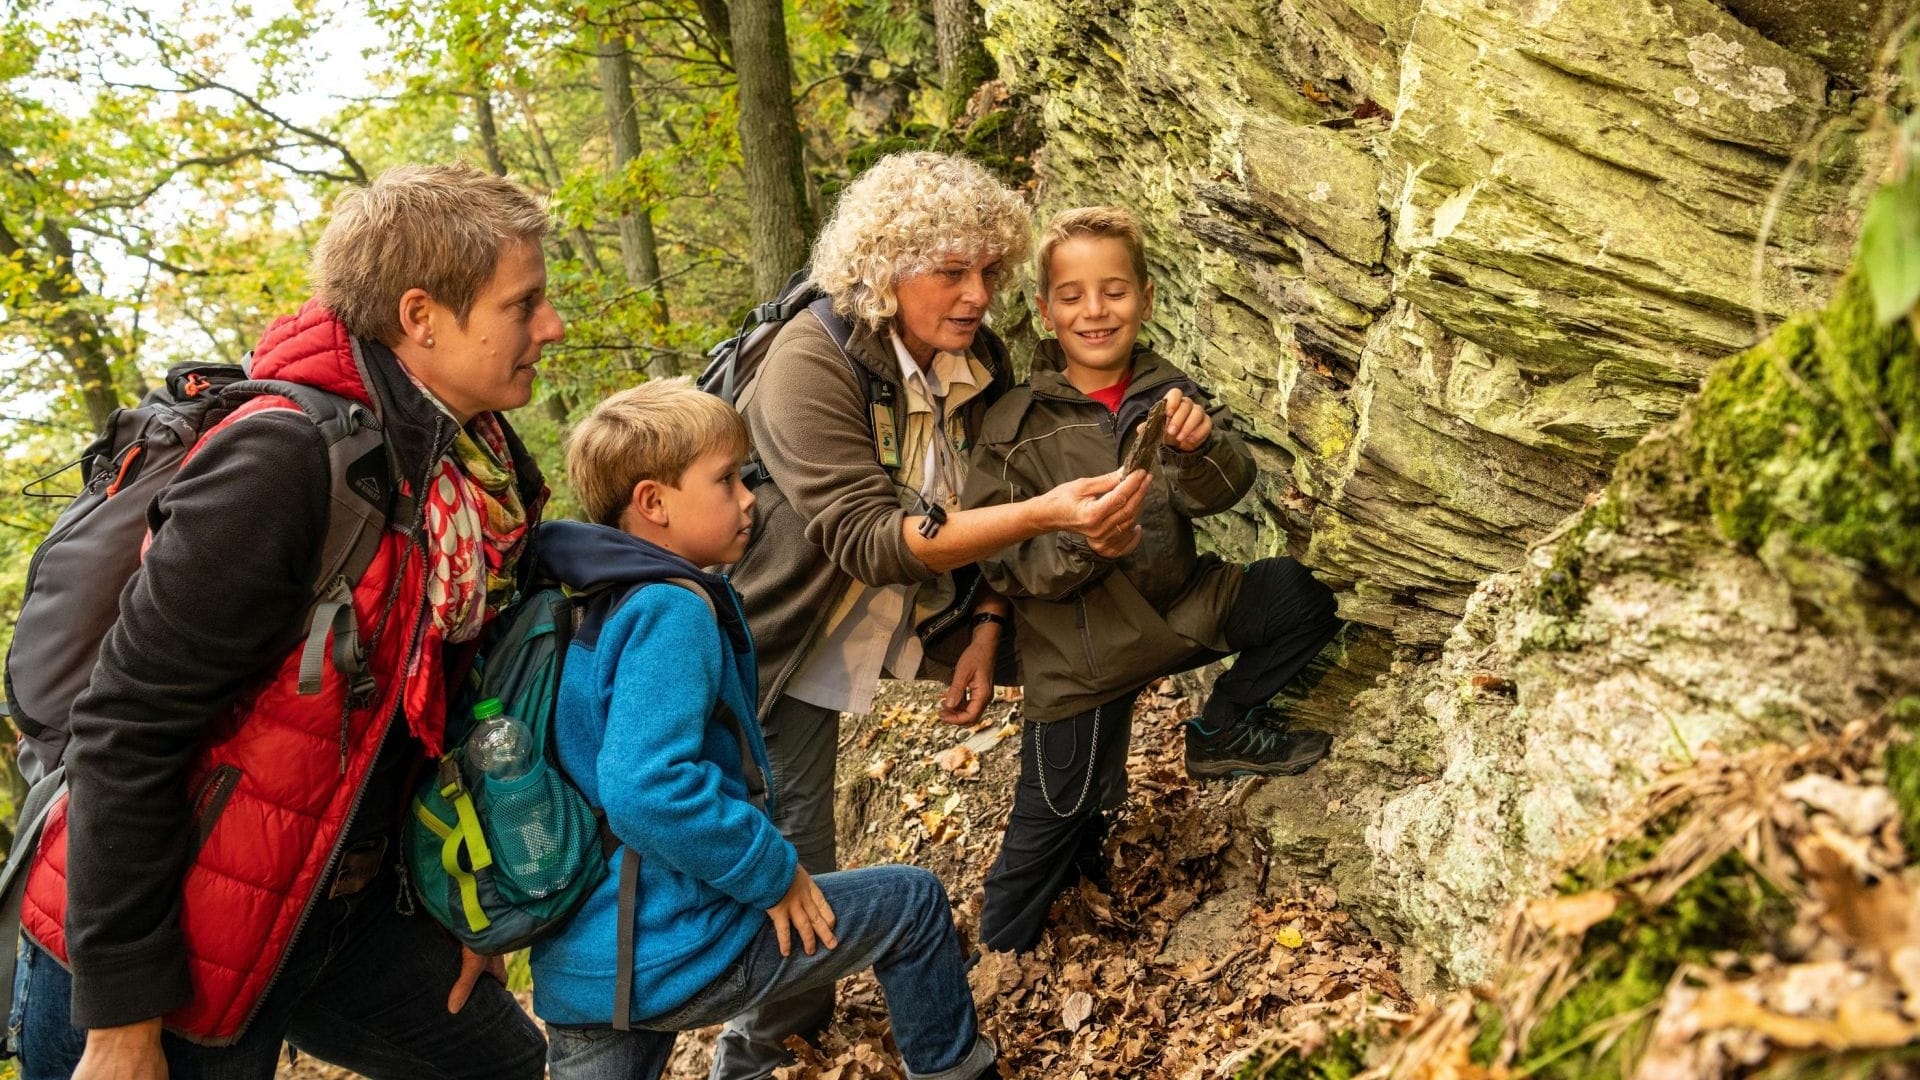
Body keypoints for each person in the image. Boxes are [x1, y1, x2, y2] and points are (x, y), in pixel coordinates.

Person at [13, 163, 559, 1080]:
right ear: (420, 318)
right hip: (173, 938)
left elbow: (408, 719)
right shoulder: (286, 462)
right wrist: (121, 1017)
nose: (549, 327)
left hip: (338, 909)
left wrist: (468, 902)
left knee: (497, 1064)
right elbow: (125, 730)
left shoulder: (472, 468)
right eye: (524, 304)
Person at [721, 151, 1149, 1078]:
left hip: (918, 608)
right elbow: (871, 539)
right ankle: (764, 1050)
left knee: (1094, 617)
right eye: (950, 271)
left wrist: (989, 624)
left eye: (990, 271)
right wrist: (1044, 514)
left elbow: (990, 500)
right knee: (798, 852)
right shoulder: (809, 362)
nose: (977, 294)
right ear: (883, 269)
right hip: (778, 638)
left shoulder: (977, 358)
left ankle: (1070, 841)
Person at [530, 380, 999, 1080]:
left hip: (587, 964)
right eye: (726, 480)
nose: (750, 499)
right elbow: (644, 787)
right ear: (653, 503)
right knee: (913, 904)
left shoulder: (589, 608)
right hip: (678, 941)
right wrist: (772, 875)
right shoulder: (669, 610)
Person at [961, 206, 1343, 954]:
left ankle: (1223, 726)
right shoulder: (1015, 425)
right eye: (1071, 296)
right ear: (1044, 310)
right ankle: (994, 964)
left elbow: (1222, 491)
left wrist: (1201, 449)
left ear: (1146, 297)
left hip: (1184, 607)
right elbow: (1002, 561)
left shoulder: (1169, 390)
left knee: (1305, 595)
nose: (1094, 311)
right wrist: (1084, 544)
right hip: (1084, 655)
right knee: (1056, 818)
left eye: (1114, 291)